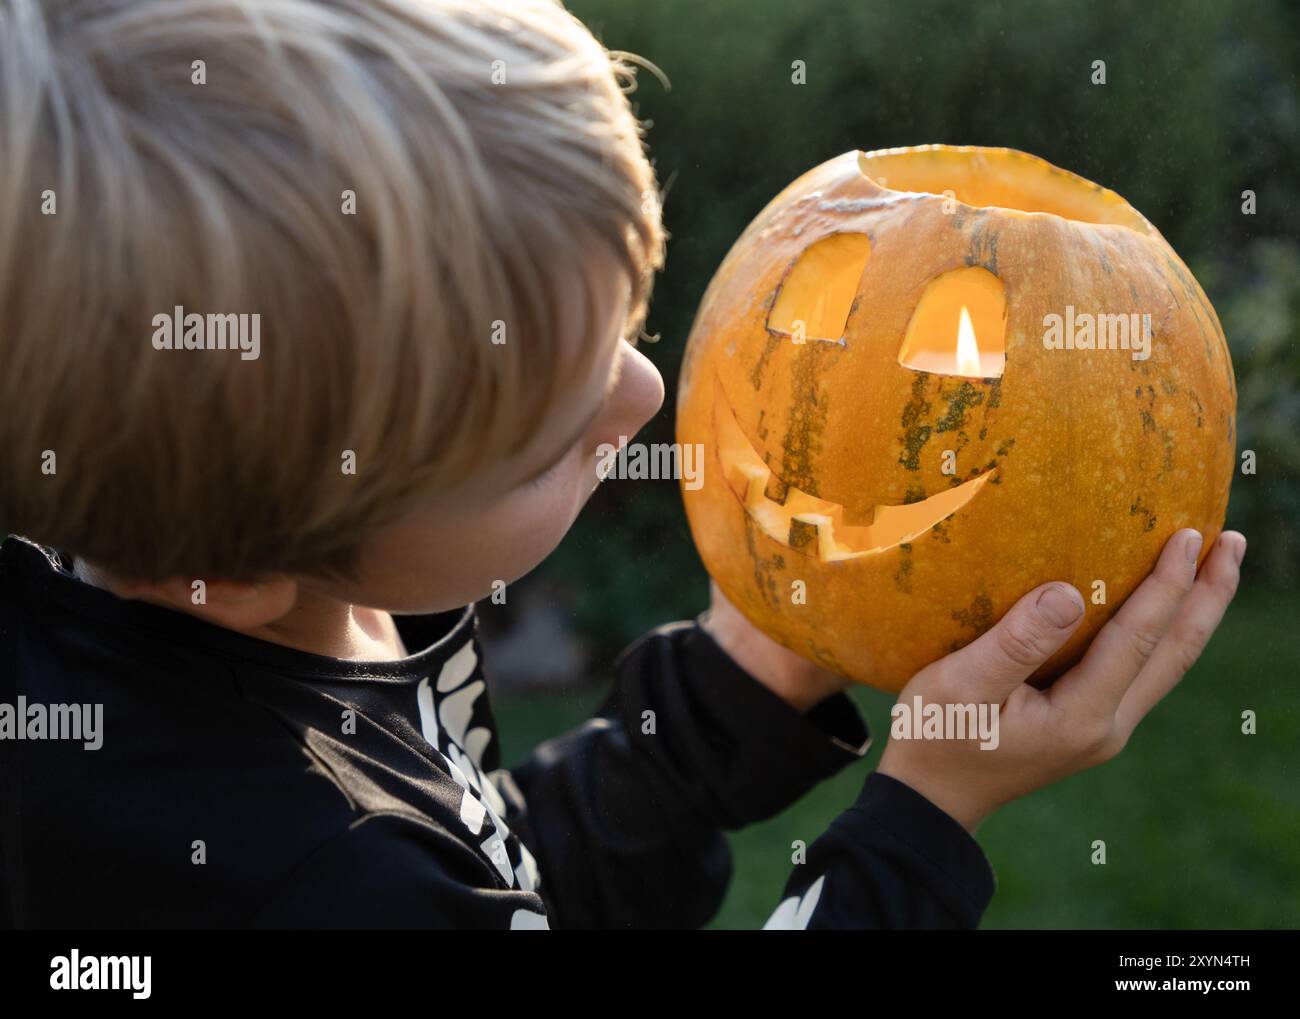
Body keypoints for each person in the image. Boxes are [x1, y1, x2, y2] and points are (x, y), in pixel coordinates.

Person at [0, 0, 1244, 929]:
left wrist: (734, 690)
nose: (646, 396)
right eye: (548, 434)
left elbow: (507, 868)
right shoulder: (297, 881)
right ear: (238, 564)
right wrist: (922, 825)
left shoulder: (285, 587)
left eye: (620, 330)